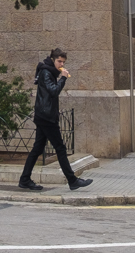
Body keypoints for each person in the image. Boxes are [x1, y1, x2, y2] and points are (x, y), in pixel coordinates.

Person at [19, 47, 92, 192]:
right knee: (60, 148)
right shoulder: (47, 72)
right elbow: (53, 91)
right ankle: (72, 181)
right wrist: (63, 78)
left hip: (44, 115)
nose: (61, 64)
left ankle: (25, 179)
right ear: (52, 60)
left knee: (38, 148)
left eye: (63, 62)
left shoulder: (49, 72)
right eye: (59, 61)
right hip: (46, 118)